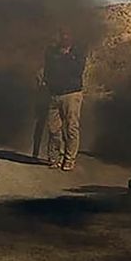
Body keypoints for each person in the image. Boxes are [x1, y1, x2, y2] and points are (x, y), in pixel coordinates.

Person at [43, 28, 87, 171]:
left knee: (71, 127)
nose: (65, 37)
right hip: (54, 94)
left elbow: (77, 70)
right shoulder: (51, 52)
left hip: (72, 94)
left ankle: (69, 159)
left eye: (68, 34)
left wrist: (66, 57)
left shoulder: (78, 52)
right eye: (63, 34)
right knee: (53, 128)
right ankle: (54, 157)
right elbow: (48, 70)